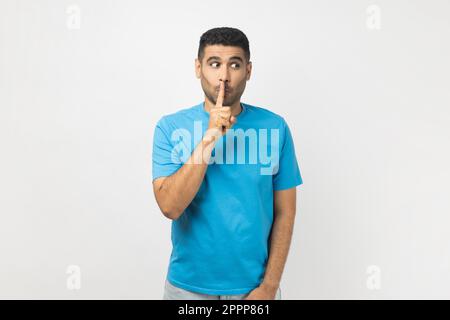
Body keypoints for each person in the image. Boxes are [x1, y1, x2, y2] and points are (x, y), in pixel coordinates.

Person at [152, 27, 303, 300]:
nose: (224, 76)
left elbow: (286, 212)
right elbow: (170, 207)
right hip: (187, 289)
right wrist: (209, 138)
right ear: (198, 68)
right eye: (214, 64)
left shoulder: (275, 127)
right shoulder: (170, 127)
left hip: (254, 289)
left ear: (248, 70)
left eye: (234, 64)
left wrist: (269, 287)